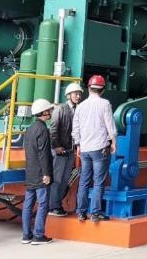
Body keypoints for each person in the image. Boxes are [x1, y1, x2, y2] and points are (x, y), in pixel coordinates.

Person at [72, 75, 117, 222]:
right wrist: (114, 142)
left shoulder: (80, 106)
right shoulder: (105, 104)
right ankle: (95, 213)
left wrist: (78, 145)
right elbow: (110, 124)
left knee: (84, 181)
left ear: (89, 88)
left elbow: (76, 128)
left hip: (85, 149)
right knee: (98, 181)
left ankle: (81, 212)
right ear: (102, 89)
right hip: (99, 148)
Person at [48, 82, 84, 216]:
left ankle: (57, 205)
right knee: (57, 179)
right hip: (60, 150)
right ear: (68, 95)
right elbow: (53, 129)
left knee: (64, 179)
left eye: (79, 94)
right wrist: (56, 146)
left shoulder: (79, 110)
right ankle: (52, 206)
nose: (78, 96)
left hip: (70, 150)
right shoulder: (60, 109)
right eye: (75, 94)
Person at [22, 98, 55, 245]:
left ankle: (26, 235)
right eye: (49, 109)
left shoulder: (30, 129)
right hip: (41, 173)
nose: (51, 112)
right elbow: (44, 154)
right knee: (43, 204)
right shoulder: (43, 130)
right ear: (44, 112)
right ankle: (38, 235)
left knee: (28, 204)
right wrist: (46, 173)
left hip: (30, 172)